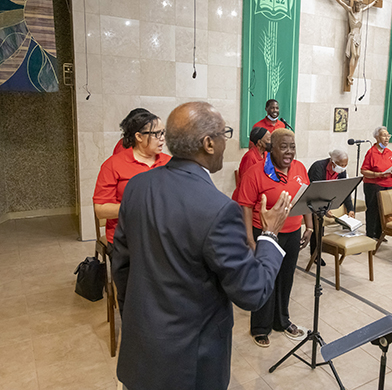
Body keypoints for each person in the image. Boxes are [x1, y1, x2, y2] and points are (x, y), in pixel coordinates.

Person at [111, 101, 292, 390]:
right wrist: (269, 235)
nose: (225, 142)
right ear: (208, 143)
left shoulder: (137, 187)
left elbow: (121, 265)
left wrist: (135, 317)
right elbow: (253, 292)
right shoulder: (219, 209)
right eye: (224, 133)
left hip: (141, 349)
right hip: (189, 365)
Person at [237, 128, 312, 348]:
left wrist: (309, 226)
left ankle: (282, 320)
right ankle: (260, 327)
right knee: (264, 281)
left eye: (293, 147)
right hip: (265, 233)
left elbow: (306, 195)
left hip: (292, 232)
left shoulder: (299, 168)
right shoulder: (255, 172)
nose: (289, 152)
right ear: (272, 148)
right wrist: (250, 240)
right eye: (284, 146)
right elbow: (245, 207)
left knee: (286, 279)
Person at [93, 109, 170, 263]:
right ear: (139, 136)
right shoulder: (113, 165)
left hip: (162, 237)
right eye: (156, 134)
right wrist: (138, 207)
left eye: (163, 133)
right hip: (126, 240)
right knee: (130, 285)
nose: (162, 139)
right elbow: (101, 210)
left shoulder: (169, 162)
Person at [307, 150, 355, 265]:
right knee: (318, 226)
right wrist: (325, 209)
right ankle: (315, 254)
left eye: (345, 165)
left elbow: (344, 189)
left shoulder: (341, 171)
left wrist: (350, 208)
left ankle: (321, 249)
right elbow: (315, 191)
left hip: (327, 199)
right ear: (332, 162)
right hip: (313, 200)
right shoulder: (318, 167)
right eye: (341, 165)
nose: (343, 168)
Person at [329, 0, 379, 86]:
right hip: (352, 35)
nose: (359, 7)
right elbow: (341, 2)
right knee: (354, 54)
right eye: (358, 5)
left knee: (358, 56)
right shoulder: (350, 10)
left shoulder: (361, 11)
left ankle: (351, 75)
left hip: (358, 36)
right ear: (355, 5)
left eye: (360, 5)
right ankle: (350, 76)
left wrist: (374, 2)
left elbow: (368, 7)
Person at [360, 126, 392, 240]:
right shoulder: (371, 152)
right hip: (374, 185)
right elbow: (363, 171)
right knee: (373, 209)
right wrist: (378, 175)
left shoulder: (390, 153)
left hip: (388, 184)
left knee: (385, 210)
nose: (387, 138)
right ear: (377, 137)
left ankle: (381, 232)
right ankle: (371, 233)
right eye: (384, 135)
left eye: (388, 136)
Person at [232, 126, 271, 201]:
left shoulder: (266, 155)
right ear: (259, 143)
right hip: (246, 199)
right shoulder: (250, 157)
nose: (271, 142)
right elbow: (247, 184)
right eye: (268, 139)